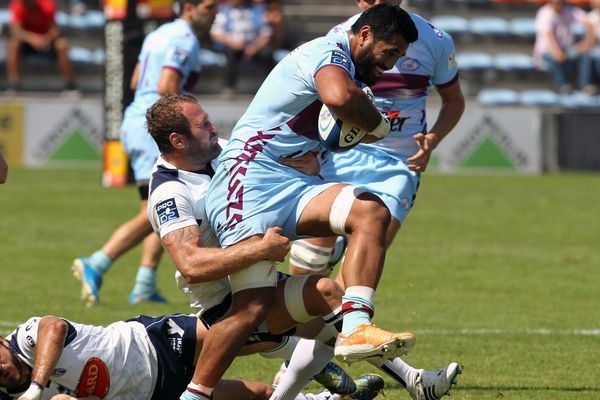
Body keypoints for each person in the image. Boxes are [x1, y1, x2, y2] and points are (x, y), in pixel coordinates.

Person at [144, 94, 444, 400]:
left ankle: (413, 380)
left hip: (261, 282)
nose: (213, 126)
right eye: (202, 124)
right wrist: (260, 250)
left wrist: (305, 166)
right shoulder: (170, 192)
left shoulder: (223, 150)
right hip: (226, 307)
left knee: (333, 314)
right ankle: (411, 381)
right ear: (178, 141)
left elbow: (277, 168)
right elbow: (191, 266)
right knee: (327, 298)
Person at [195, 5, 419, 400]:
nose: (392, 64)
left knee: (371, 210)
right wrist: (379, 124)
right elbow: (338, 96)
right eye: (390, 52)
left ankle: (355, 328)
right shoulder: (328, 51)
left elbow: (331, 117)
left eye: (399, 57)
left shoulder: (346, 68)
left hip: (287, 180)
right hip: (245, 180)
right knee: (250, 311)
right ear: (364, 35)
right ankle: (194, 393)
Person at [285, 1, 465, 398]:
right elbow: (321, 104)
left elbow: (455, 101)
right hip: (340, 160)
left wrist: (432, 140)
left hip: (397, 169)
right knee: (303, 284)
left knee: (351, 285)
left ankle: (305, 383)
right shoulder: (341, 38)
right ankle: (409, 379)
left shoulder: (433, 40)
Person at [70, 0, 218, 306]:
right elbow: (167, 85)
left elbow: (137, 79)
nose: (214, 13)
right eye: (208, 6)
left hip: (135, 119)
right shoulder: (184, 39)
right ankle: (98, 262)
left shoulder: (160, 34)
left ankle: (144, 282)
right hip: (156, 126)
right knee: (165, 203)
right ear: (188, 8)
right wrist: (190, 118)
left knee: (159, 206)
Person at [0, 313, 371, 400]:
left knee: (249, 333)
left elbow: (53, 326)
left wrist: (37, 386)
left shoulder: (28, 337)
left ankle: (317, 349)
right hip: (158, 393)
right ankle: (319, 396)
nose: (1, 373)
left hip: (153, 342)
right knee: (256, 395)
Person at [6, 0, 77, 91]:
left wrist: (46, 39)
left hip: (47, 42)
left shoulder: (47, 4)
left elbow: (55, 29)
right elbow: (16, 30)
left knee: (62, 45)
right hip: (27, 44)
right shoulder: (17, 4)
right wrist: (33, 39)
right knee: (13, 44)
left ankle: (70, 84)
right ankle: (14, 84)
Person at [209, 0, 274, 98]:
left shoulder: (258, 10)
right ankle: (229, 88)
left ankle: (272, 87)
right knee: (232, 53)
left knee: (268, 53)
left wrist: (254, 47)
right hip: (232, 45)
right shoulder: (224, 10)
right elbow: (216, 34)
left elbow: (266, 34)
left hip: (253, 46)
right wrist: (233, 43)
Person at [533, 0, 595, 93]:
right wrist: (557, 52)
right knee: (553, 57)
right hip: (547, 52)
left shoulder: (570, 10)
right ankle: (562, 85)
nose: (558, 4)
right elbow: (548, 35)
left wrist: (587, 42)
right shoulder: (544, 13)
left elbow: (589, 22)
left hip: (567, 49)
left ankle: (585, 84)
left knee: (586, 55)